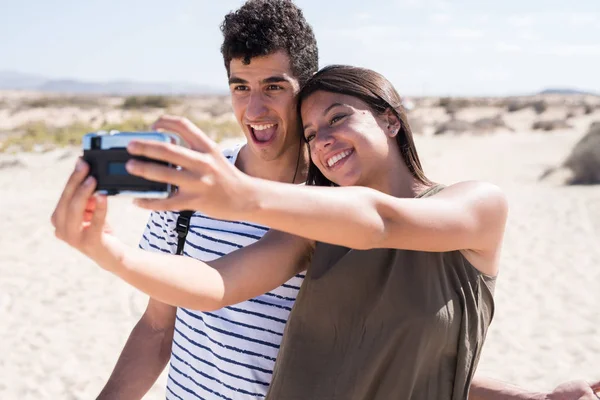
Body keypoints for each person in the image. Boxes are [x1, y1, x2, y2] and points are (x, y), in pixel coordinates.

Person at [50, 63, 600, 399]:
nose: (324, 140)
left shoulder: (475, 208)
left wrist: (241, 195)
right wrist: (107, 250)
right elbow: (212, 285)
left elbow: (383, 221)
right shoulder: (319, 228)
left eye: (339, 117)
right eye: (311, 132)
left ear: (390, 118)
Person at [69, 1, 317, 399]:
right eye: (241, 87)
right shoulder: (192, 184)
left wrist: (107, 251)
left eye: (274, 86)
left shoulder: (330, 204)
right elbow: (156, 327)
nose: (254, 109)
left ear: (306, 88)